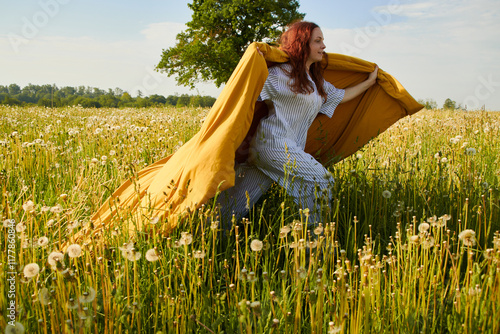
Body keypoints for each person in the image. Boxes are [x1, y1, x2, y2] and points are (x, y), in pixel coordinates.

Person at [217, 21, 378, 225]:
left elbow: (340, 96)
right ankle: (316, 242)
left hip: (276, 149)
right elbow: (245, 94)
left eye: (323, 41)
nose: (324, 46)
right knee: (323, 181)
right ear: (302, 44)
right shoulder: (278, 75)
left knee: (236, 202)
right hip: (273, 145)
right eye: (318, 41)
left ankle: (204, 233)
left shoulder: (314, 81)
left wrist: (369, 83)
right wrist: (254, 63)